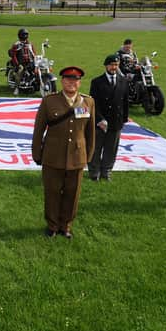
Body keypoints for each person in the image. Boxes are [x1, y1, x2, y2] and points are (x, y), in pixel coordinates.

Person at [31, 66, 95, 239]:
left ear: (79, 82)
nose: (71, 83)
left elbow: (90, 133)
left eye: (75, 80)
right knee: (52, 192)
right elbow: (38, 130)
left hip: (76, 156)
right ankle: (52, 225)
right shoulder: (49, 101)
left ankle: (66, 225)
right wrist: (37, 153)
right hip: (53, 155)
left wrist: (88, 155)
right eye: (68, 79)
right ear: (62, 81)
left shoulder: (88, 102)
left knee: (72, 193)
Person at [88, 54, 129, 181]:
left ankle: (106, 172)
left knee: (111, 149)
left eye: (116, 65)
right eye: (111, 65)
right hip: (100, 122)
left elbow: (125, 102)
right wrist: (100, 119)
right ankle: (94, 172)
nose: (114, 67)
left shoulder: (124, 81)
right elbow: (93, 103)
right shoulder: (97, 82)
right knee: (96, 148)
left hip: (116, 122)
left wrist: (124, 119)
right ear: (106, 66)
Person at [9, 28, 36, 95]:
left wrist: (36, 59)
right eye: (23, 34)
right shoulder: (16, 44)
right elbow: (13, 55)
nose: (25, 36)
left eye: (26, 34)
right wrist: (18, 64)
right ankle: (16, 88)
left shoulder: (30, 44)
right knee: (20, 70)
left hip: (29, 62)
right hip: (20, 63)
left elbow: (34, 53)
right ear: (20, 35)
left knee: (37, 68)